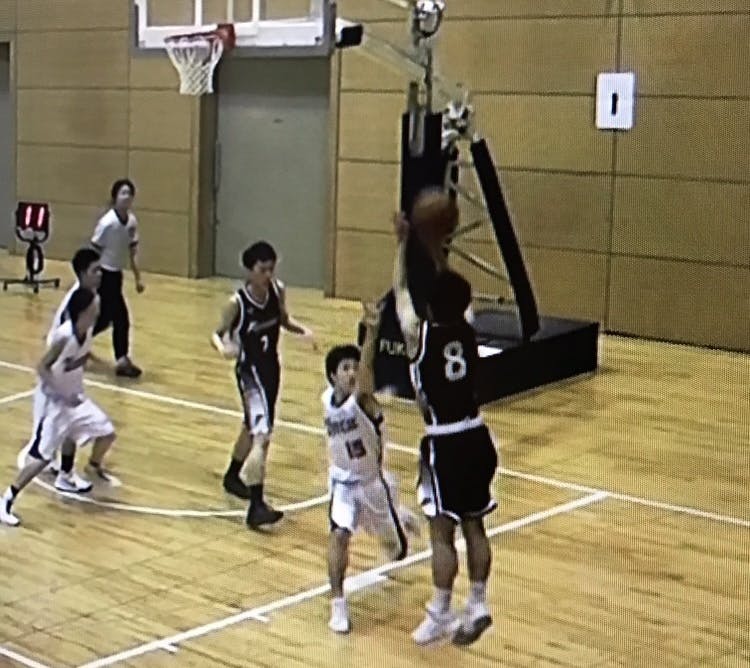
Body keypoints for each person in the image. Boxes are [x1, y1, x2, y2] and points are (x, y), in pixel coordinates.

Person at [392, 218, 499, 646]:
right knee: (475, 525)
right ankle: (479, 603)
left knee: (441, 532)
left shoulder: (419, 333)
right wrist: (436, 248)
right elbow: (452, 288)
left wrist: (403, 245)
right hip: (479, 435)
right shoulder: (468, 325)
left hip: (445, 441)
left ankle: (439, 612)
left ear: (431, 305)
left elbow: (400, 293)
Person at [323, 303, 419, 634]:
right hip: (342, 485)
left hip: (373, 484)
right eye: (344, 368)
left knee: (398, 552)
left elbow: (365, 380)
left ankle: (399, 515)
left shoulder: (363, 401)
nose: (351, 372)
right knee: (339, 535)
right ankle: (338, 604)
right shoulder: (326, 401)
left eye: (355, 367)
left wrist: (372, 332)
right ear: (332, 376)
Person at [211, 241, 315, 528]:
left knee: (251, 425)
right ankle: (256, 506)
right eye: (262, 270)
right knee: (262, 435)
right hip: (250, 373)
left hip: (271, 370)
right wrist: (224, 348)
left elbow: (283, 319)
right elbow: (217, 333)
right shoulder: (237, 303)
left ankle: (232, 475)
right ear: (250, 270)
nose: (268, 275)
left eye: (271, 269)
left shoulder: (277, 290)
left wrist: (302, 330)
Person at [1, 289, 118, 527]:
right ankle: (6, 499)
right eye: (94, 307)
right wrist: (59, 392)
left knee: (106, 432)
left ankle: (76, 473)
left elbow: (84, 355)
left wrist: (104, 365)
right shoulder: (64, 336)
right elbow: (42, 367)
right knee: (42, 459)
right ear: (83, 311)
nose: (98, 310)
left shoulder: (87, 332)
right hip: (56, 404)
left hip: (76, 399)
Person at [18, 248, 107, 487]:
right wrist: (61, 370)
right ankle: (28, 472)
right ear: (83, 273)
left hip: (71, 371)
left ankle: (65, 472)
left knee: (70, 425)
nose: (100, 274)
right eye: (95, 270)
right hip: (57, 372)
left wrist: (90, 360)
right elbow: (57, 342)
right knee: (45, 434)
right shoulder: (75, 302)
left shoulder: (91, 298)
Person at [91, 178, 144, 378]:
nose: (127, 197)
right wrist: (91, 276)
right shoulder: (107, 223)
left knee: (104, 318)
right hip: (104, 275)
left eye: (130, 193)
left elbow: (132, 251)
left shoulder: (131, 222)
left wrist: (138, 278)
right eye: (123, 193)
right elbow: (95, 249)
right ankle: (122, 360)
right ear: (115, 197)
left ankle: (74, 340)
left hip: (117, 275)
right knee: (120, 317)